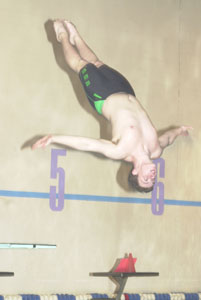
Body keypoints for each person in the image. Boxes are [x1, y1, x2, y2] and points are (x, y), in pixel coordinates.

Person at [32, 20, 192, 193]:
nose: (151, 176)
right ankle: (75, 36)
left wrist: (54, 139)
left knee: (81, 65)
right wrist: (179, 130)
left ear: (135, 171)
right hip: (125, 90)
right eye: (153, 179)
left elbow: (87, 145)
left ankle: (61, 35)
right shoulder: (155, 150)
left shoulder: (120, 151)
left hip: (102, 96)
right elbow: (167, 139)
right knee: (98, 63)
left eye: (146, 179)